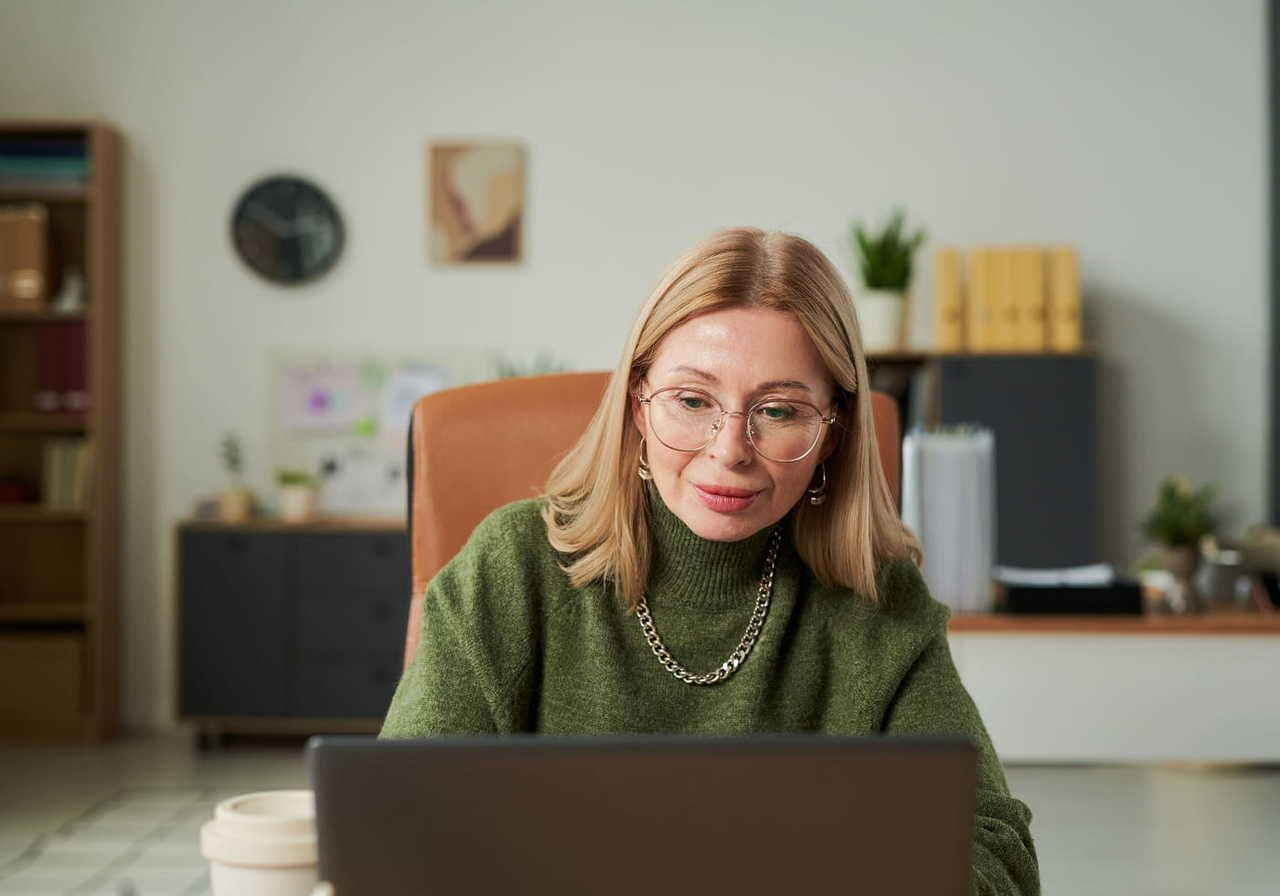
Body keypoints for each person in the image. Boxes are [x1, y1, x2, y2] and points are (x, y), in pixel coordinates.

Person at [380, 226, 1040, 895]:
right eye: (693, 401)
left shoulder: (875, 595)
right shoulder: (513, 565)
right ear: (638, 403)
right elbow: (397, 826)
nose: (730, 451)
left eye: (779, 410)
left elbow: (996, 854)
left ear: (832, 433)